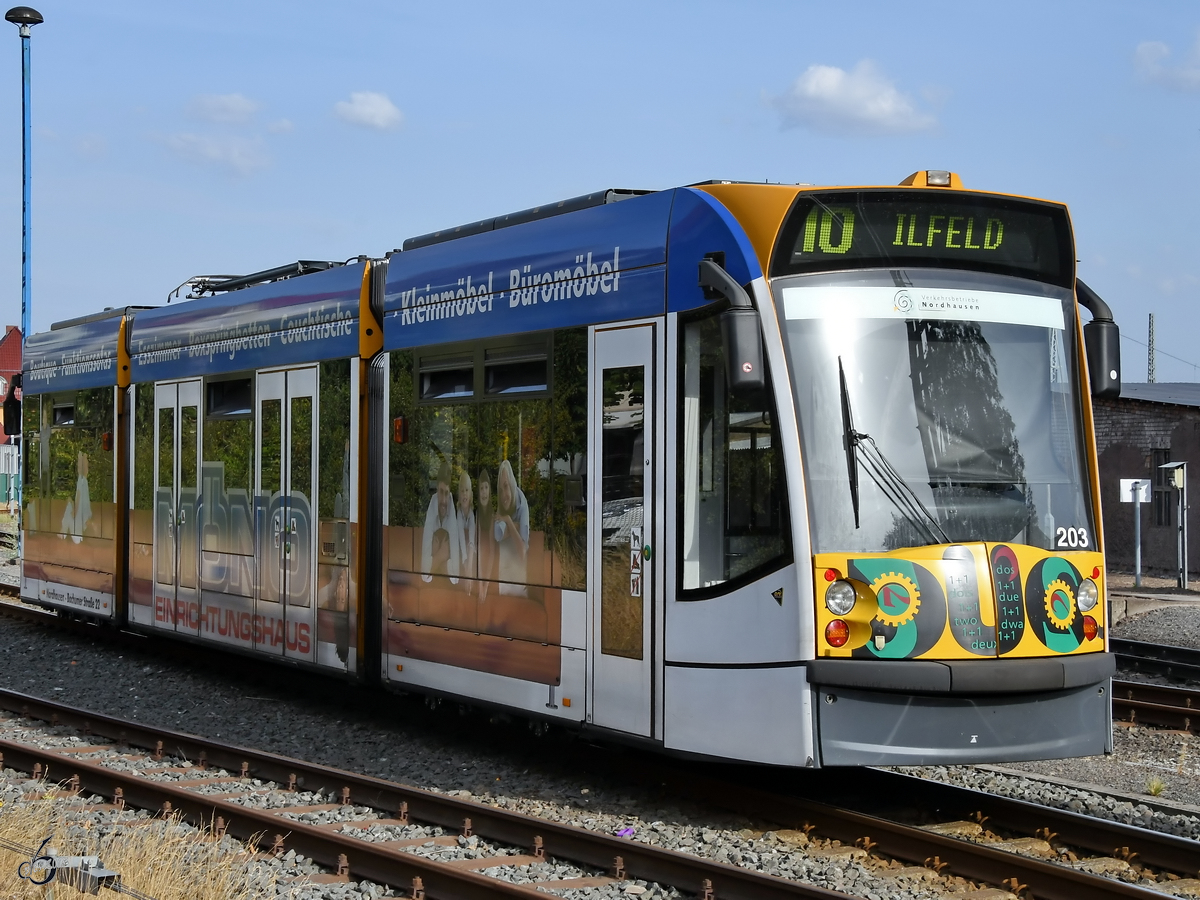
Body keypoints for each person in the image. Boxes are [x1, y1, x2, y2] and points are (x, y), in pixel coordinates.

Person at [420, 460, 461, 583]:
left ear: (450, 493)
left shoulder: (452, 510)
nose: (443, 500)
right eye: (441, 492)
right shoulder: (432, 508)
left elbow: (456, 578)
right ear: (437, 489)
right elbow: (424, 574)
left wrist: (434, 561)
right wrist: (441, 556)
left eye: (446, 493)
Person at [495, 459, 529, 596]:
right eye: (500, 490)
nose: (504, 495)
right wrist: (515, 527)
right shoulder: (500, 509)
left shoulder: (521, 504)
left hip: (519, 583)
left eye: (506, 486)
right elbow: (497, 535)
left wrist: (509, 522)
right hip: (502, 582)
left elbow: (522, 553)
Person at [60, 451, 92, 544]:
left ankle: (83, 455)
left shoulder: (70, 523)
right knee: (83, 476)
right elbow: (74, 500)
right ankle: (83, 455)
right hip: (81, 502)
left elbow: (71, 501)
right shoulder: (76, 525)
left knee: (82, 476)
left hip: (81, 502)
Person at [476, 468, 497, 601]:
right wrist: (479, 586)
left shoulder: (492, 515)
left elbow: (492, 552)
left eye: (486, 487)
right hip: (479, 557)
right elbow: (477, 548)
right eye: (481, 488)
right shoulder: (477, 514)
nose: (484, 491)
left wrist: (486, 585)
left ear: (489, 491)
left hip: (488, 559)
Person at [456, 469, 476, 589]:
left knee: (471, 549)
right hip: (460, 549)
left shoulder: (472, 515)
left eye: (467, 490)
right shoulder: (458, 514)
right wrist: (465, 563)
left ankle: (469, 581)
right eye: (462, 491)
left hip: (469, 551)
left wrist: (469, 567)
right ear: (459, 496)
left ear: (471, 495)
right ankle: (466, 582)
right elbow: (462, 539)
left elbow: (471, 541)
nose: (464, 494)